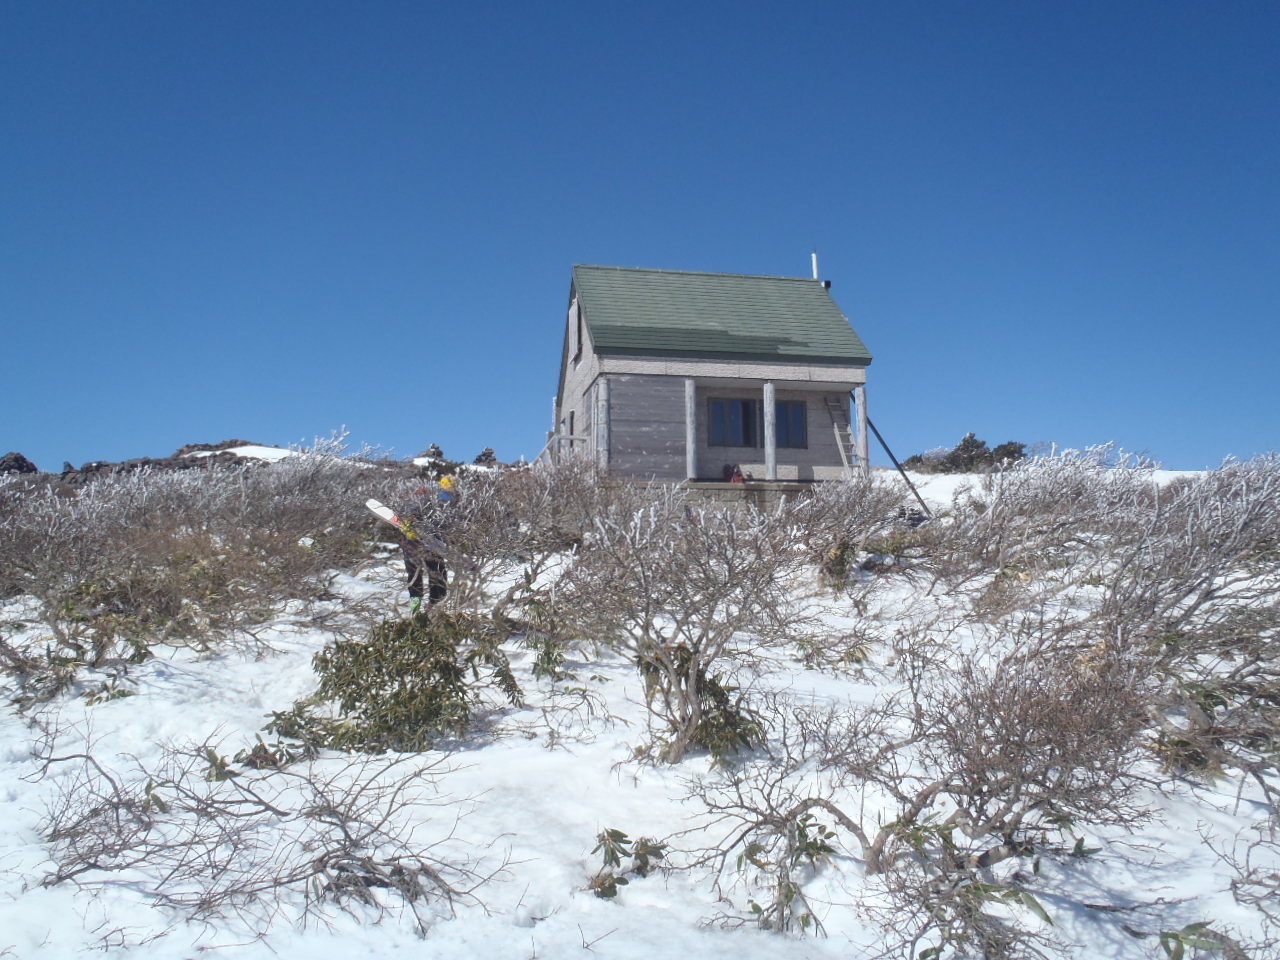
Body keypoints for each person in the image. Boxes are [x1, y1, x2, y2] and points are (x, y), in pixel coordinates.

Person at [398, 478, 456, 614]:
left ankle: (426, 605)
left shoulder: (435, 501)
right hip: (421, 542)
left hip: (425, 542)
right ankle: (430, 604)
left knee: (418, 574)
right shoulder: (432, 500)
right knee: (431, 572)